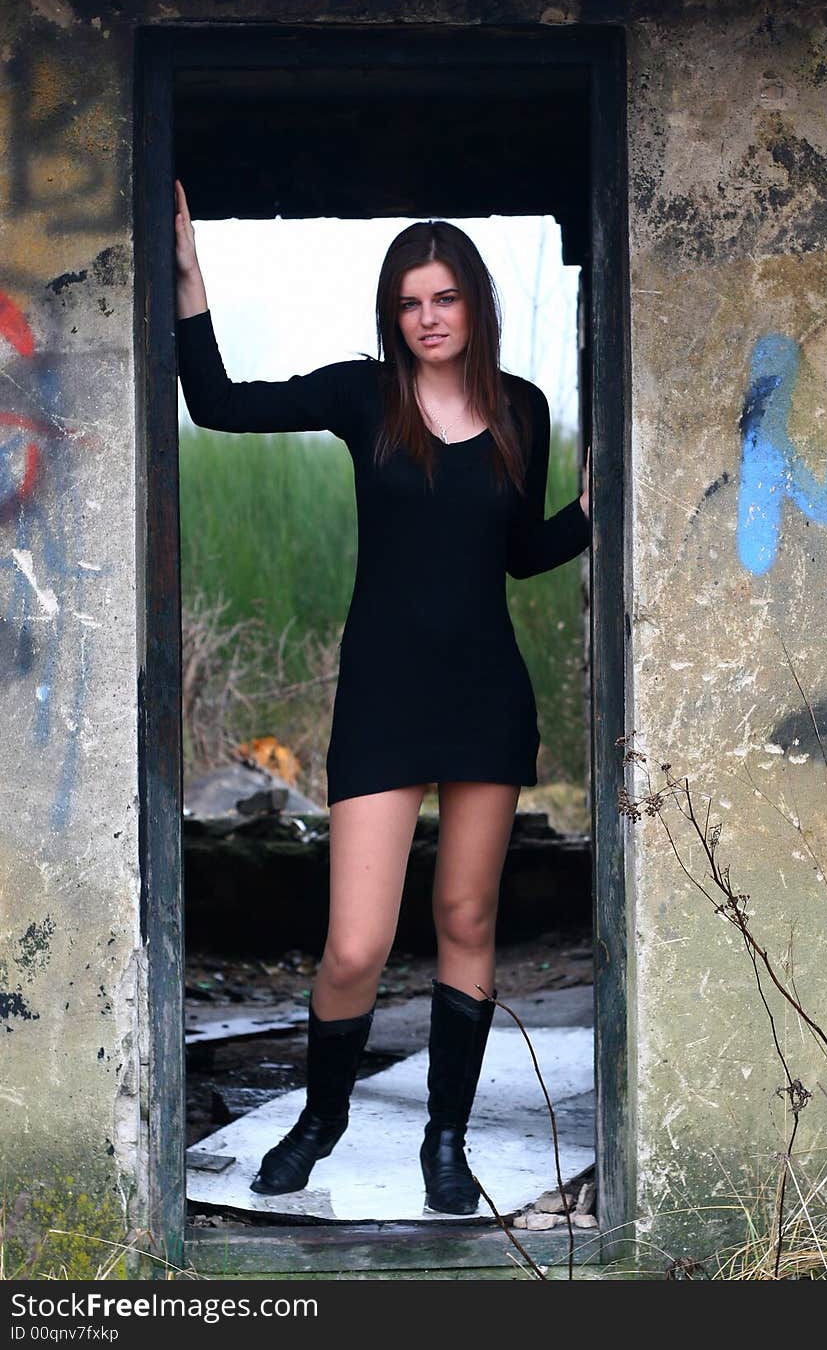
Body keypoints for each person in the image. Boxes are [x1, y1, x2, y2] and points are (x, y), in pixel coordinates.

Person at [174, 179, 591, 1215]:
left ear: (472, 304)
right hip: (382, 696)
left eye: (443, 297)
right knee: (355, 943)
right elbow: (219, 403)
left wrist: (589, 509)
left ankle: (444, 1142)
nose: (427, 316)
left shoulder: (522, 410)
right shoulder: (364, 397)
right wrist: (188, 282)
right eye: (409, 301)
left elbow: (520, 551)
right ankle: (322, 1117)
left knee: (464, 911)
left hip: (485, 692)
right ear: (392, 313)